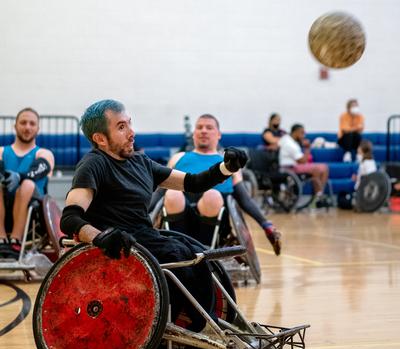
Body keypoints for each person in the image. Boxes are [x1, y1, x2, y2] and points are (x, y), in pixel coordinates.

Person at [60, 99, 247, 332]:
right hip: (120, 245)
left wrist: (226, 167)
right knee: (179, 254)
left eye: (130, 124)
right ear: (100, 139)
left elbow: (194, 182)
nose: (131, 133)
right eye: (121, 127)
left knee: (196, 254)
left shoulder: (140, 162)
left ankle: (204, 323)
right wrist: (101, 237)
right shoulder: (93, 165)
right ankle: (201, 327)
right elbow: (70, 219)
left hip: (145, 237)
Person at [161, 114, 281, 255]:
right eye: (199, 127)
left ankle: (204, 250)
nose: (203, 131)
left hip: (216, 219)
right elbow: (158, 193)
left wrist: (266, 224)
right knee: (172, 193)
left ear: (218, 135)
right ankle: (178, 250)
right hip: (179, 215)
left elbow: (244, 199)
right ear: (193, 134)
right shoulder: (178, 158)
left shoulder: (229, 164)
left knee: (212, 195)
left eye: (209, 127)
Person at [0, 108, 55, 258]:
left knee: (28, 184)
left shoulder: (44, 153)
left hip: (33, 217)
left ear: (38, 128)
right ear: (15, 126)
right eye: (23, 123)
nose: (27, 127)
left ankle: (15, 240)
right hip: (4, 209)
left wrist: (19, 176)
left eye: (32, 123)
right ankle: (2, 238)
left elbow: (40, 169)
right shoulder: (1, 151)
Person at [279, 124, 330, 207]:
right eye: (301, 133)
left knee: (324, 168)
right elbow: (302, 161)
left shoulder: (287, 139)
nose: (303, 136)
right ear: (295, 132)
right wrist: (307, 148)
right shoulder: (290, 144)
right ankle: (319, 196)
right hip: (289, 168)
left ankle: (319, 194)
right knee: (316, 169)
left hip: (293, 166)